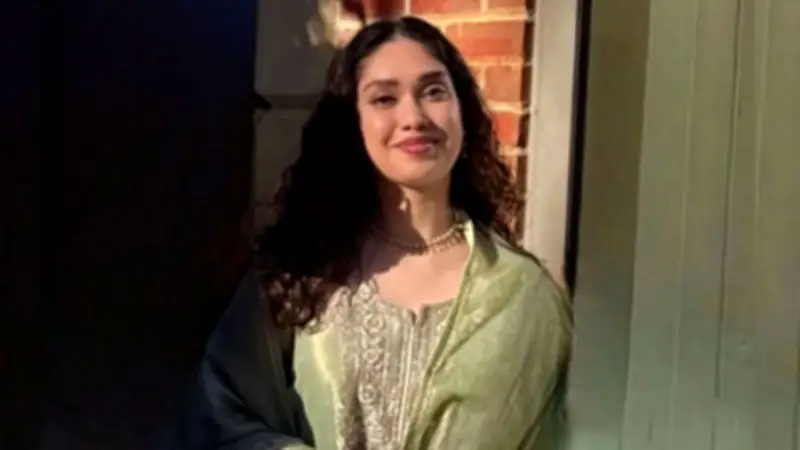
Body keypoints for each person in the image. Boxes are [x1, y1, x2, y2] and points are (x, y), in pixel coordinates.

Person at [177, 16, 572, 450]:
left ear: (463, 112)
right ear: (353, 124)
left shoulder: (522, 295)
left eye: (434, 91)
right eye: (384, 98)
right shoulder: (299, 273)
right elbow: (220, 415)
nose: (414, 117)